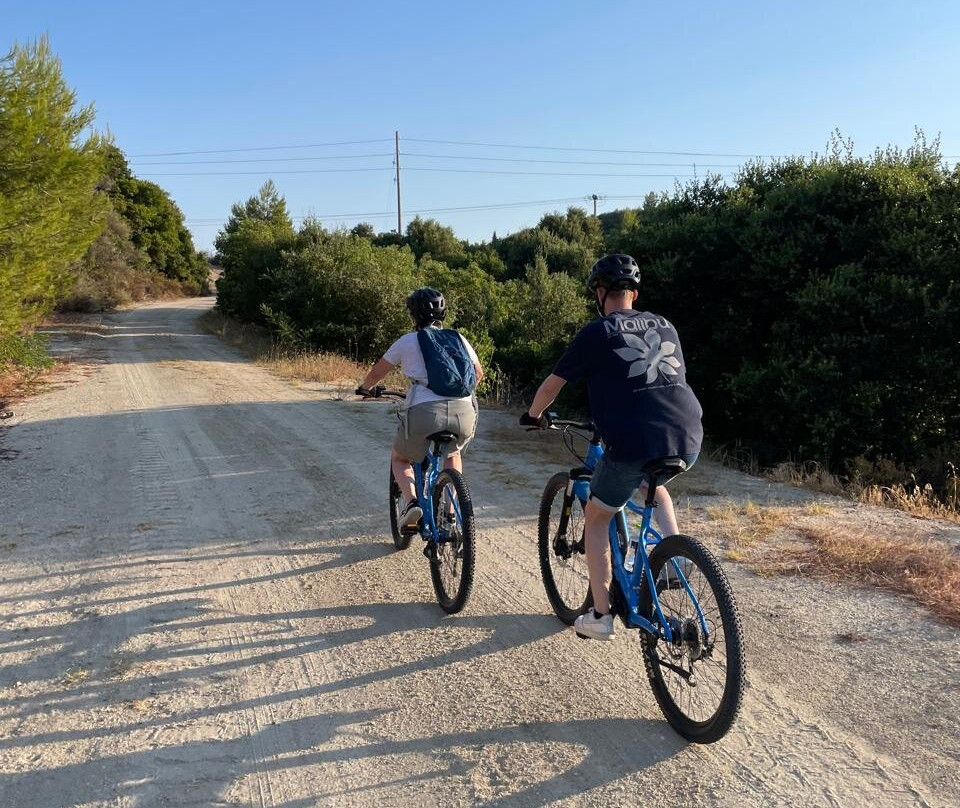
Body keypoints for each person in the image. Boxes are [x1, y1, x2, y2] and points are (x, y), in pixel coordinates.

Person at [521, 254, 703, 640]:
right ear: (634, 294)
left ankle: (601, 615)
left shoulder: (597, 331)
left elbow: (553, 385)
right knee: (655, 486)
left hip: (633, 441)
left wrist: (534, 414)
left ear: (600, 294)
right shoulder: (665, 324)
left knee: (597, 515)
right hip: (687, 437)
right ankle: (673, 558)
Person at [358, 287, 484, 528]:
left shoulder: (408, 340)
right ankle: (449, 513)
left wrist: (365, 388)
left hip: (425, 411)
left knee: (400, 458)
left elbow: (377, 372)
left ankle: (411, 503)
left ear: (413, 316)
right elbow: (478, 374)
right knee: (453, 454)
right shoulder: (459, 339)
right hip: (464, 411)